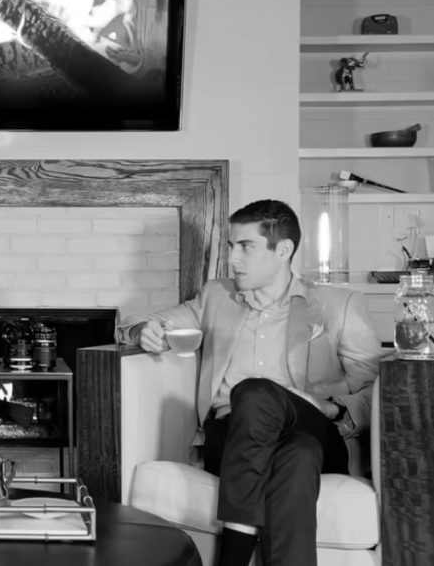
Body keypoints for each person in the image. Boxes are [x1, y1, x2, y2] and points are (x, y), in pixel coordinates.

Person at [116, 199, 385, 566]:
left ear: (283, 250)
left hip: (317, 427)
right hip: (231, 436)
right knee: (297, 454)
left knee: (256, 393)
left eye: (246, 246)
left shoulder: (338, 305)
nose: (232, 259)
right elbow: (139, 319)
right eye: (231, 246)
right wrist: (142, 330)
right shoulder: (216, 296)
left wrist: (332, 407)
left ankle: (233, 559)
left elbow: (378, 393)